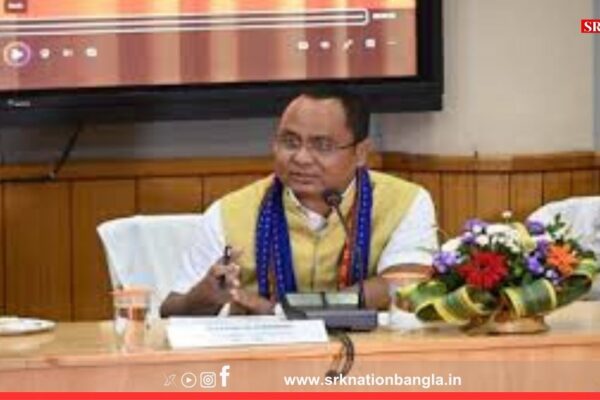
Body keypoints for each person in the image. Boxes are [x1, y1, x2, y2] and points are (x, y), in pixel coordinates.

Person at [160, 86, 438, 317]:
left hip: (369, 355)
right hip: (266, 357)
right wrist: (204, 297)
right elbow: (170, 309)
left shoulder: (405, 202)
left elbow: (402, 284)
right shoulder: (230, 212)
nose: (301, 158)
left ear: (361, 153)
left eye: (322, 146)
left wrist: (281, 312)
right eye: (290, 142)